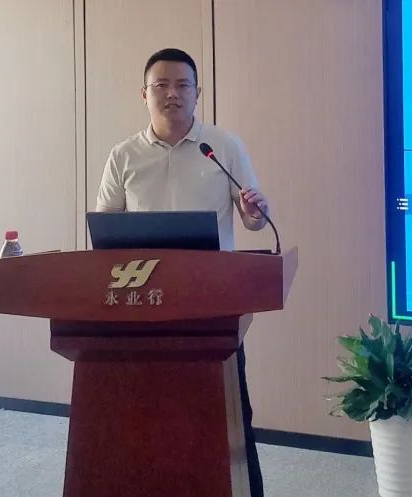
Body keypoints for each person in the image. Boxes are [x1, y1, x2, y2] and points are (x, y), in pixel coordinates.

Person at [96, 47, 270, 497]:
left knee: (228, 410)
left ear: (197, 93)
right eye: (161, 85)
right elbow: (105, 226)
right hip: (143, 302)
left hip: (212, 303)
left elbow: (252, 219)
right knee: (147, 411)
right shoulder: (123, 155)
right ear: (144, 93)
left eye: (182, 85)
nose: (172, 94)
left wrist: (254, 213)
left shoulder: (223, 147)